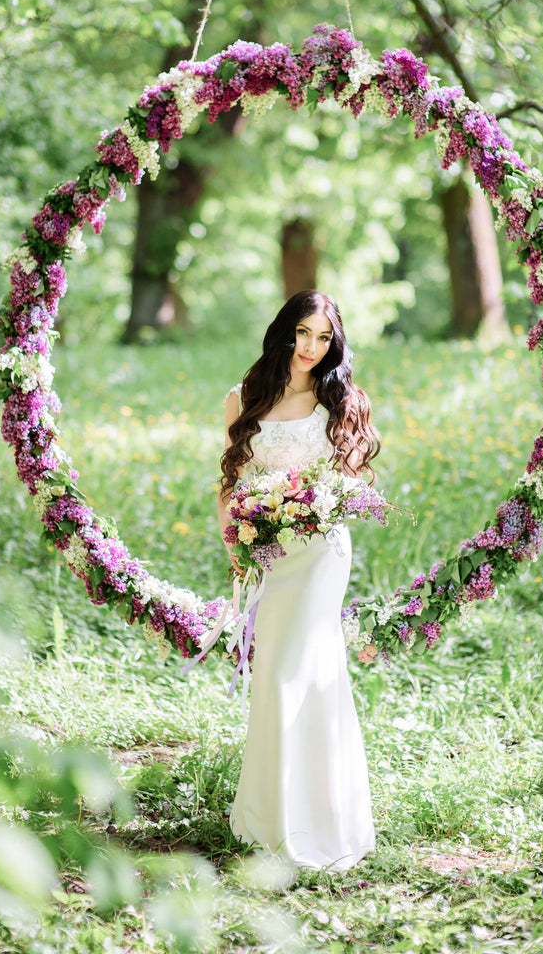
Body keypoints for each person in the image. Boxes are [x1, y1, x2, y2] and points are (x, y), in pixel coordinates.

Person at [217, 290, 381, 871]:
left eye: (323, 337)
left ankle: (322, 820)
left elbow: (352, 485)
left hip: (321, 555)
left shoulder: (341, 401)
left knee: (305, 671)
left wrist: (308, 502)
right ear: (284, 332)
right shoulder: (246, 397)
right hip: (270, 552)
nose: (312, 347)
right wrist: (236, 540)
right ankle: (268, 817)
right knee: (273, 677)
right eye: (302, 333)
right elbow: (232, 482)